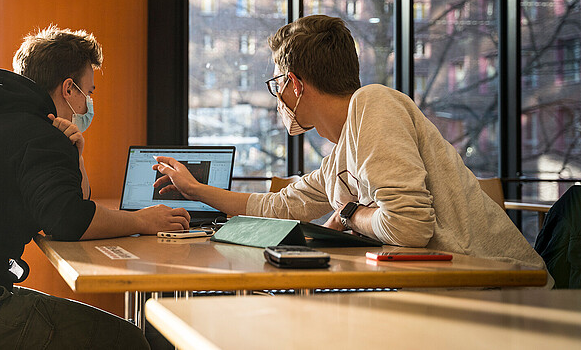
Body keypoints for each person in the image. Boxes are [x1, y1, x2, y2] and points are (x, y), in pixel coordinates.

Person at [153, 15, 550, 280]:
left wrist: (348, 213)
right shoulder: (343, 149)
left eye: (276, 84)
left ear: (295, 83)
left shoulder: (374, 104)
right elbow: (279, 206)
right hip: (453, 286)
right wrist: (195, 190)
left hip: (501, 288)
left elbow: (408, 227)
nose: (277, 97)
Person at [0, 25, 190, 349]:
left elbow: (69, 203)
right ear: (69, 90)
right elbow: (69, 221)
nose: (88, 102)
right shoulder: (37, 136)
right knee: (126, 340)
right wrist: (144, 220)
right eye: (88, 92)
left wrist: (76, 156)